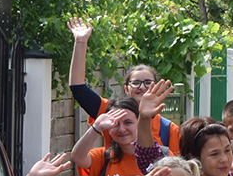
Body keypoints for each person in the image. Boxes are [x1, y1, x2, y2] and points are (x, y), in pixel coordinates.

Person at [67, 17, 180, 152]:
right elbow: (79, 89)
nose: (142, 87)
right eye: (136, 83)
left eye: (148, 83)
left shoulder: (168, 129)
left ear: (156, 87)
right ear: (126, 89)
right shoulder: (112, 112)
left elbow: (177, 167)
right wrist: (81, 41)